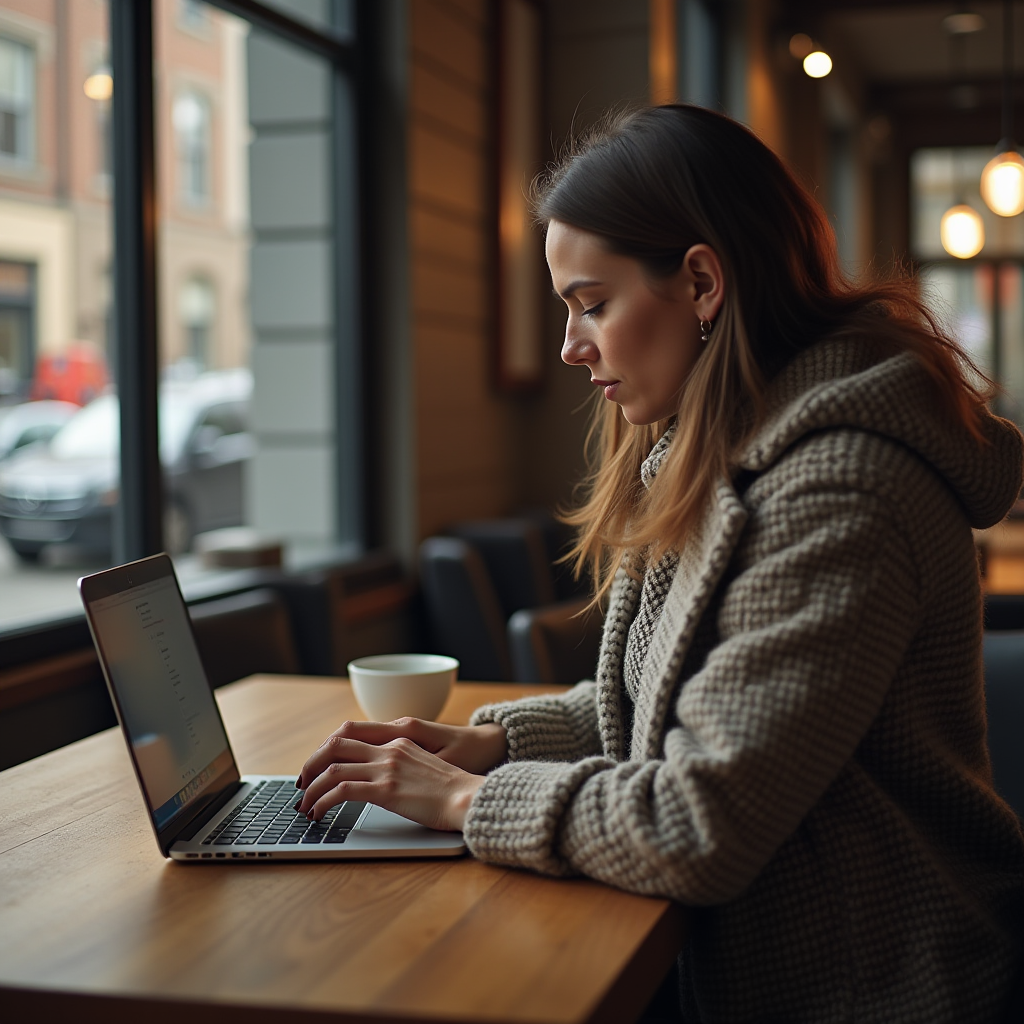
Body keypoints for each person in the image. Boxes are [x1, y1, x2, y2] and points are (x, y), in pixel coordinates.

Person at [295, 105, 1024, 1022]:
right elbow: (671, 705)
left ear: (703, 282)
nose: (571, 345)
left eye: (592, 305)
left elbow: (694, 826)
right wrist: (495, 742)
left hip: (875, 987)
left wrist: (462, 800)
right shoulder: (721, 449)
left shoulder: (843, 490)